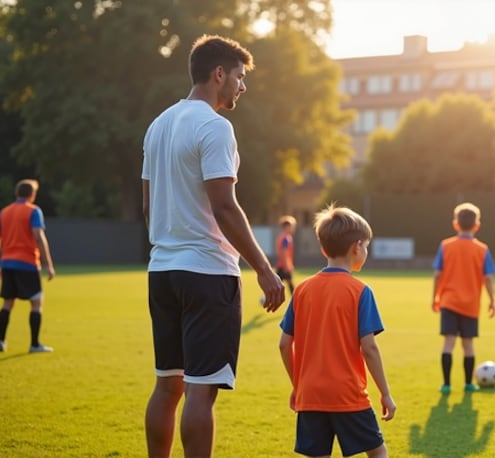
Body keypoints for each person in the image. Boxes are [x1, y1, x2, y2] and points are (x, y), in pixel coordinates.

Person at [141, 34, 286, 458]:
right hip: (206, 274)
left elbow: (148, 206)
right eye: (239, 77)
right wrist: (264, 268)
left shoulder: (158, 125)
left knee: (167, 385)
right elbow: (225, 207)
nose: (242, 87)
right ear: (218, 74)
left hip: (162, 270)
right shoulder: (215, 126)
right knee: (200, 392)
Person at [279, 204, 396, 457]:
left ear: (323, 249)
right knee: (378, 453)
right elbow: (369, 347)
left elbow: (284, 344)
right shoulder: (360, 291)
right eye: (366, 246)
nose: (365, 251)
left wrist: (298, 385)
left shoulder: (301, 290)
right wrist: (385, 393)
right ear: (357, 247)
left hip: (310, 395)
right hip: (348, 395)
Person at [432, 202, 495, 394]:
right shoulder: (482, 249)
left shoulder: (446, 246)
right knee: (468, 345)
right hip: (471, 304)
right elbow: (488, 278)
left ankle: (446, 384)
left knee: (448, 343)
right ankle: (468, 383)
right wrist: (492, 300)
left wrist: (435, 297)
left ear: (455, 224)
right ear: (477, 226)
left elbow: (437, 274)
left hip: (448, 302)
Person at [0, 179, 56, 353]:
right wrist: (49, 264)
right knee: (36, 302)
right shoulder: (33, 211)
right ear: (32, 195)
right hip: (27, 263)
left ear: (17, 193)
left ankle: (0, 341)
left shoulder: (5, 212)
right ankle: (34, 344)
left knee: (8, 302)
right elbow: (38, 236)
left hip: (7, 262)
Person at [275, 215, 297, 296]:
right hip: (284, 265)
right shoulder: (286, 238)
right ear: (287, 227)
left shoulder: (282, 237)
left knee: (278, 284)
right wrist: (286, 266)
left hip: (282, 265)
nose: (293, 228)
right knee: (288, 284)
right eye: (292, 226)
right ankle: (296, 300)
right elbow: (284, 252)